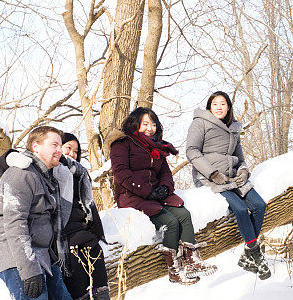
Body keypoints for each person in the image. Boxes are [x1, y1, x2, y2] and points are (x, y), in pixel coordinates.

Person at [0, 126, 127, 300]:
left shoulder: (50, 177)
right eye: (53, 144)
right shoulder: (20, 175)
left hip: (42, 254)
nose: (60, 150)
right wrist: (29, 270)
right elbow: (14, 225)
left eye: (61, 145)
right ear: (35, 147)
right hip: (11, 251)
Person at [107, 107, 217, 285]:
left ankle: (191, 260)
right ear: (135, 124)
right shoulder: (122, 143)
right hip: (132, 195)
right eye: (145, 124)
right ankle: (174, 270)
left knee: (183, 214)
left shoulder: (155, 147)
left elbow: (166, 173)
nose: (150, 128)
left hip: (155, 194)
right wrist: (146, 191)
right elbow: (121, 173)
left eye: (153, 124)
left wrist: (165, 188)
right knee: (171, 222)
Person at [186, 91, 271, 280]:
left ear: (228, 107)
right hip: (209, 177)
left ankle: (248, 253)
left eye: (223, 104)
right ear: (209, 107)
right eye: (215, 104)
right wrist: (212, 173)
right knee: (240, 210)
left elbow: (240, 158)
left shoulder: (234, 128)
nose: (219, 107)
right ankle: (255, 254)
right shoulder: (200, 123)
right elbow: (191, 151)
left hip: (234, 178)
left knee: (259, 206)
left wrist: (244, 171)